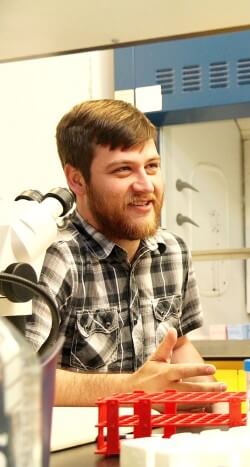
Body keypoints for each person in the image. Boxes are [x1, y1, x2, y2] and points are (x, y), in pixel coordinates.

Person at [25, 99, 226, 406]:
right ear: (76, 179)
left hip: (149, 443)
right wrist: (131, 389)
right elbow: (23, 379)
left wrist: (218, 404)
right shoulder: (56, 257)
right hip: (75, 448)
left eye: (152, 166)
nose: (146, 186)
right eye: (123, 170)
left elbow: (179, 345)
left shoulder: (171, 251)